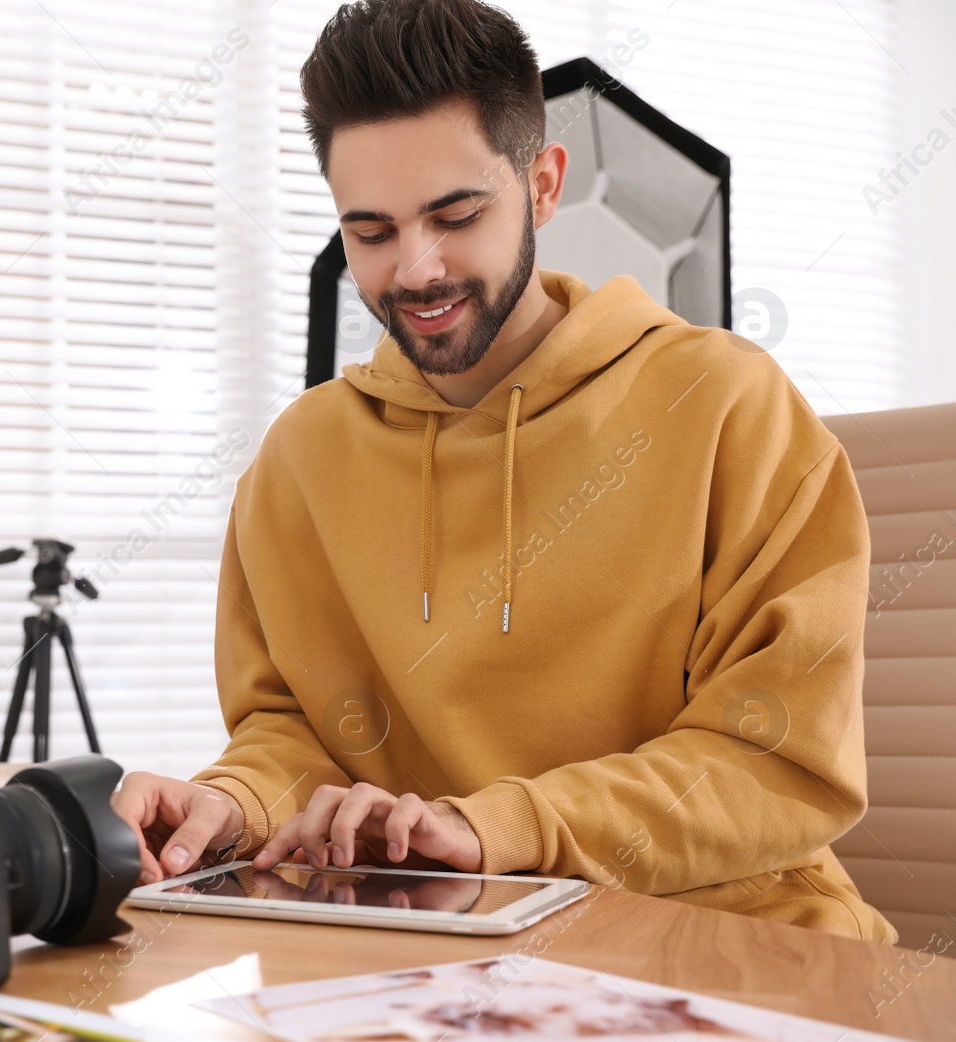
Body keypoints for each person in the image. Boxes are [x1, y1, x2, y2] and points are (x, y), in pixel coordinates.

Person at [109, 0, 896, 943]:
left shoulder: (728, 404)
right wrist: (237, 805)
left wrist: (500, 828)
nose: (417, 269)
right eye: (371, 232)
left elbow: (778, 760)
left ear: (545, 184)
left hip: (728, 933)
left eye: (456, 214)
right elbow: (294, 733)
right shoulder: (300, 460)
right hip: (438, 950)